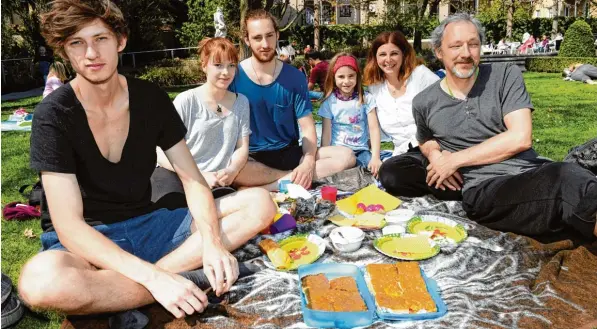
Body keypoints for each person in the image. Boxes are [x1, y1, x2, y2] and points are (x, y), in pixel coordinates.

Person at [18, 0, 276, 320]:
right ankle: (178, 277)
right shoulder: (53, 114)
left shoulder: (150, 98)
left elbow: (193, 180)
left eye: (100, 39)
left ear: (120, 40)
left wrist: (211, 242)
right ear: (65, 51)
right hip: (89, 243)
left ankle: (132, 289)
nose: (91, 53)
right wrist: (155, 279)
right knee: (40, 284)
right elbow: (69, 226)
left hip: (149, 225)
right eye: (76, 42)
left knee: (260, 203)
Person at [387, 13, 597, 241]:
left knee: (568, 180)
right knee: (394, 170)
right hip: (486, 189)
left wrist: (454, 161)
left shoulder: (505, 75)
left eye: (473, 44)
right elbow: (425, 139)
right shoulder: (424, 101)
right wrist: (436, 156)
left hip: (527, 172)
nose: (465, 53)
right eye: (456, 46)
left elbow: (520, 137)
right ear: (439, 52)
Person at [229, 9, 355, 191]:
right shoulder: (234, 77)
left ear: (277, 35)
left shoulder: (294, 77)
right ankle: (292, 180)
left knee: (347, 156)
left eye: (269, 36)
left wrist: (309, 160)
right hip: (251, 157)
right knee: (233, 169)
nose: (265, 44)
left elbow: (307, 126)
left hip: (289, 153)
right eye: (257, 38)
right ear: (247, 40)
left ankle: (271, 186)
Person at [152, 37, 252, 204]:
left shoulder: (241, 102)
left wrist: (233, 170)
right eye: (218, 65)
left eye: (231, 65)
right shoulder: (187, 101)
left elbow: (242, 147)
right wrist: (198, 175)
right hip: (178, 176)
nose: (226, 72)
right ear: (204, 65)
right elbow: (160, 151)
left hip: (218, 182)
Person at [319, 53, 382, 177]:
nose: (346, 81)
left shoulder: (366, 99)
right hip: (338, 152)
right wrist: (325, 157)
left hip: (361, 151)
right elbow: (326, 134)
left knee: (372, 174)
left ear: (357, 76)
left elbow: (374, 129)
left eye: (351, 76)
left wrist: (375, 157)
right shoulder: (329, 102)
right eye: (341, 77)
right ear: (334, 77)